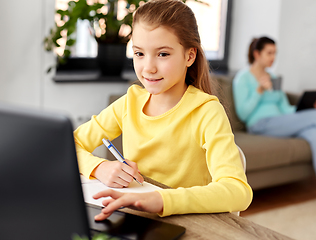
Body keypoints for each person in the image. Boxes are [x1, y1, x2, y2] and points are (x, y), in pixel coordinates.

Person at [74, 0, 252, 220]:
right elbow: (71, 143)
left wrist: (161, 200)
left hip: (185, 221)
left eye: (163, 54)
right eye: (139, 54)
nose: (148, 67)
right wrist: (99, 167)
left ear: (189, 56)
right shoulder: (129, 102)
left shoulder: (207, 112)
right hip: (136, 216)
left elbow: (237, 191)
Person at [232, 36, 316, 214]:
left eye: (275, 53)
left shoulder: (274, 77)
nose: (273, 57)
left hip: (280, 122)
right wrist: (259, 90)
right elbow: (243, 114)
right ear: (256, 54)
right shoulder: (243, 78)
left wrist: (308, 108)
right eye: (269, 53)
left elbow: (284, 108)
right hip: (259, 125)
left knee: (315, 131)